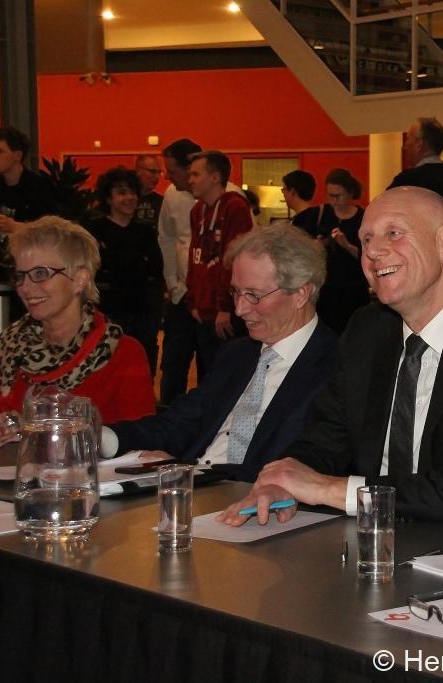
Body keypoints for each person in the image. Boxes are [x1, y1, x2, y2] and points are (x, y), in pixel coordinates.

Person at [218, 187, 443, 535]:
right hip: (369, 542)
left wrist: (329, 489)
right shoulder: (367, 329)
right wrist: (285, 482)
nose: (372, 252)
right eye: (365, 239)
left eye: (393, 233)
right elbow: (324, 440)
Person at [102, 222, 337, 483]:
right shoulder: (236, 355)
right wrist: (102, 438)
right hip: (192, 489)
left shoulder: (337, 367)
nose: (240, 309)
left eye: (253, 295)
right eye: (235, 292)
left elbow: (299, 464)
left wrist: (186, 470)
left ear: (301, 294)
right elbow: (180, 422)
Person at [0, 217, 156, 438]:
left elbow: (143, 440)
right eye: (20, 276)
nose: (25, 288)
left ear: (79, 280)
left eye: (41, 274)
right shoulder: (12, 346)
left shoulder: (122, 353)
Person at [157, 138, 246, 406]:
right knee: (185, 366)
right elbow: (194, 257)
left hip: (222, 309)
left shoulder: (235, 206)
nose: (190, 179)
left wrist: (225, 307)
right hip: (199, 305)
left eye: (196, 174)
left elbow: (233, 260)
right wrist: (192, 299)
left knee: (221, 375)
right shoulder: (198, 210)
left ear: (215, 177)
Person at [0, 126, 58, 347]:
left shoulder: (39, 187)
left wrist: (16, 227)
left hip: (28, 272)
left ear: (17, 155)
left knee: (26, 336)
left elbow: (52, 229)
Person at [86, 167, 165, 376]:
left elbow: (155, 270)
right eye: (122, 193)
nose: (129, 198)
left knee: (140, 366)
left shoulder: (145, 232)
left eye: (132, 192)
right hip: (107, 310)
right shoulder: (94, 230)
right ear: (108, 198)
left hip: (141, 311)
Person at [295, 168, 370, 333]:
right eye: (330, 196)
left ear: (350, 194)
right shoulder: (319, 214)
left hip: (353, 289)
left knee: (353, 332)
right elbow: (299, 245)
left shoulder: (364, 218)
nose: (334, 201)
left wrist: (347, 246)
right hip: (324, 289)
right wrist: (315, 245)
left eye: (339, 196)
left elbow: (369, 256)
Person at [387, 118, 443, 254]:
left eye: (408, 139)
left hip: (418, 258)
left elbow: (385, 218)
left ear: (419, 144)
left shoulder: (408, 181)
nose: (405, 146)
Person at [133, 154, 164, 227]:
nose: (157, 176)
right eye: (152, 171)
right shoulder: (127, 199)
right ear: (138, 171)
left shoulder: (162, 202)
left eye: (159, 172)